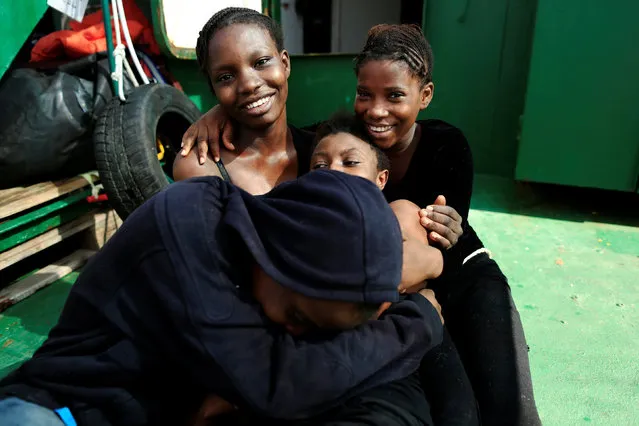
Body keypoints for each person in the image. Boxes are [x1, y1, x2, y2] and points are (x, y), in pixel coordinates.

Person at [182, 20, 541, 426]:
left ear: (424, 96)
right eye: (364, 95)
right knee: (453, 402)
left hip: (455, 270)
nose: (377, 111)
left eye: (394, 96)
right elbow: (264, 109)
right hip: (395, 291)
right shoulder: (341, 140)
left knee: (506, 399)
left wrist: (434, 262)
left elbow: (440, 251)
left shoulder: (445, 146)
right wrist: (215, 111)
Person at [0, 170, 445, 426]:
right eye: (295, 314)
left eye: (315, 330)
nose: (295, 334)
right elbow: (282, 383)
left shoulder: (265, 259)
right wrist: (421, 317)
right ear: (275, 255)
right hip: (64, 410)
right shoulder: (187, 232)